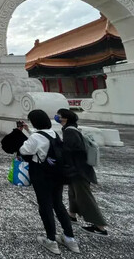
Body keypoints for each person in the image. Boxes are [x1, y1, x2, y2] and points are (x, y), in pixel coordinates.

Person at [19, 109, 80, 255]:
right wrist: (29, 131)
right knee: (58, 205)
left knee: (45, 206)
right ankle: (70, 238)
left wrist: (23, 136)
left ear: (35, 122)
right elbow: (41, 139)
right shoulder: (54, 133)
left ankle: (51, 240)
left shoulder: (35, 138)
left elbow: (24, 150)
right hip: (57, 173)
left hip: (41, 174)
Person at [56, 108, 108, 236]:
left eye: (59, 115)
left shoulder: (69, 131)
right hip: (77, 169)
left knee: (84, 196)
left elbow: (72, 149)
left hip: (78, 170)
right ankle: (72, 215)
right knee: (73, 192)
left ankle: (100, 227)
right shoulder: (71, 129)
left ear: (65, 118)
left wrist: (60, 150)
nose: (57, 117)